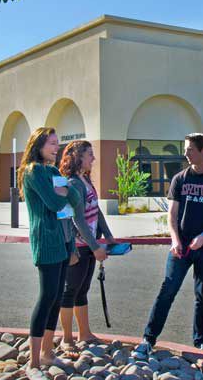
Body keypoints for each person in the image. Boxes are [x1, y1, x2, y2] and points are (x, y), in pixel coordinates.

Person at [132, 133, 203, 358]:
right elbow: (172, 214)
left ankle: (200, 343)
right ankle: (148, 340)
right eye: (186, 149)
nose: (185, 153)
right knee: (167, 291)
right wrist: (175, 240)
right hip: (181, 248)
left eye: (190, 149)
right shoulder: (180, 179)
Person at [20, 127, 73, 377]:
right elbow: (54, 202)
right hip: (46, 241)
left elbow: (70, 202)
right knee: (46, 297)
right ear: (38, 145)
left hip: (63, 241)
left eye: (57, 143)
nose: (56, 147)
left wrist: (63, 194)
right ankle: (33, 361)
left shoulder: (53, 171)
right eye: (52, 143)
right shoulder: (34, 172)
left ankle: (48, 352)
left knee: (57, 298)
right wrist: (62, 194)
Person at [57, 140, 115, 351]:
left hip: (88, 245)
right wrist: (95, 247)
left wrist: (107, 235)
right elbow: (77, 220)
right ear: (78, 157)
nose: (93, 158)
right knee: (69, 291)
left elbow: (96, 211)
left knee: (82, 290)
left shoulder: (85, 180)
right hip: (78, 246)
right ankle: (66, 338)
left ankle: (84, 333)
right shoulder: (73, 183)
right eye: (90, 154)